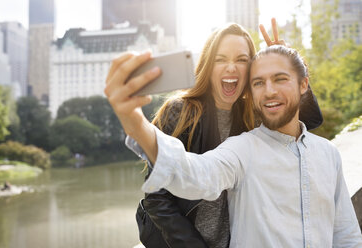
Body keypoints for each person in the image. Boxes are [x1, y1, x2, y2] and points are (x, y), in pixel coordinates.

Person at [105, 44, 362, 247]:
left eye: (280, 78)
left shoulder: (328, 154)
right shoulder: (242, 149)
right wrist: (136, 123)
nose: (269, 91)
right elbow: (193, 173)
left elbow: (346, 235)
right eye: (258, 82)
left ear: (304, 84)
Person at [129, 21, 323, 248]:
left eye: (241, 60)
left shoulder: (252, 113)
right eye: (221, 59)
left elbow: (310, 120)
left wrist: (285, 66)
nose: (231, 67)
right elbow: (156, 197)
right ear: (208, 66)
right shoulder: (181, 112)